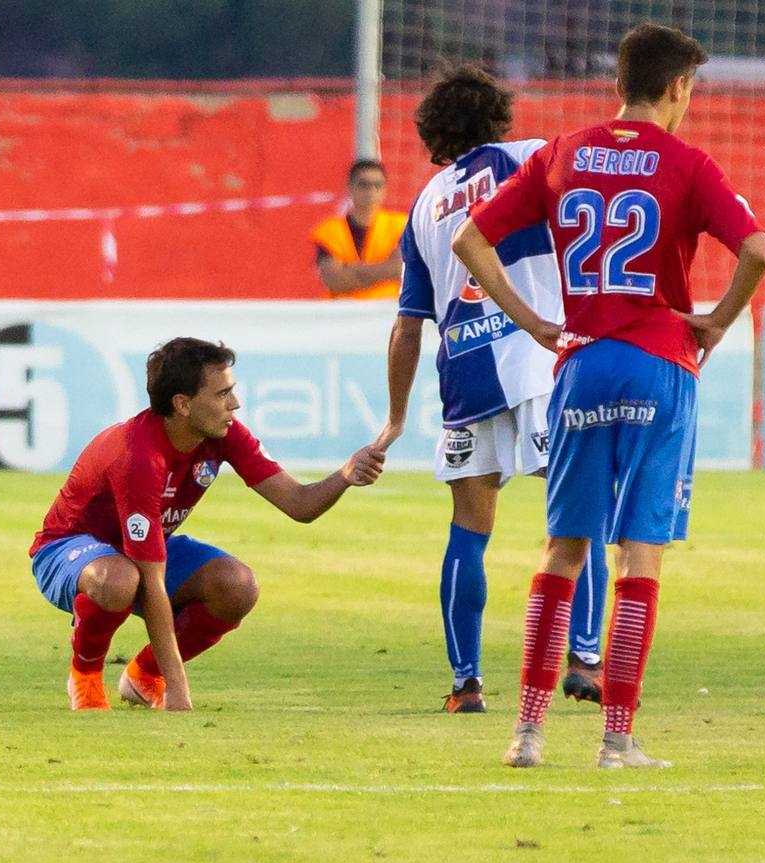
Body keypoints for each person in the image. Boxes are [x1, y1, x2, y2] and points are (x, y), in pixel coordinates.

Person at [457, 23, 765, 768]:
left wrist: (532, 319)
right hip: (659, 362)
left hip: (581, 363)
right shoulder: (690, 164)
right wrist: (718, 324)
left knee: (562, 551)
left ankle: (526, 734)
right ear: (677, 88)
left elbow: (473, 239)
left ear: (618, 86)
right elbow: (757, 249)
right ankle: (616, 740)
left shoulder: (562, 152)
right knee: (639, 555)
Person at [372, 63, 611, 714]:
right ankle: (585, 657)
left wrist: (394, 420)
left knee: (469, 528)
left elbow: (406, 328)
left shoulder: (423, 205)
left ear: (435, 132)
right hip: (537, 359)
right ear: (497, 115)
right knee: (575, 511)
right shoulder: (529, 157)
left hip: (463, 375)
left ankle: (465, 684)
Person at [30, 338, 386, 711]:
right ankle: (85, 676)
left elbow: (300, 504)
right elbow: (151, 581)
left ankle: (143, 676)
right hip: (67, 548)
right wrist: (180, 689)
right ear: (182, 404)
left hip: (141, 551)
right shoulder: (139, 456)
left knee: (237, 586)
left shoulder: (226, 433)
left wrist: (345, 475)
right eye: (222, 394)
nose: (235, 404)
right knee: (119, 580)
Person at [312, 159, 408, 300]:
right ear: (349, 187)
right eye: (364, 185)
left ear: (385, 189)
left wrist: (351, 269)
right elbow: (335, 280)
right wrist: (385, 268)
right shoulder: (329, 230)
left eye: (377, 185)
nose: (371, 191)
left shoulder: (401, 225)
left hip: (388, 310)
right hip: (342, 314)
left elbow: (399, 269)